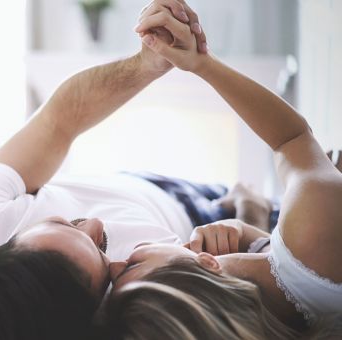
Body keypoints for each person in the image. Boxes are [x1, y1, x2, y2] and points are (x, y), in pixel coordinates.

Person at [0, 1, 228, 338]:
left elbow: (59, 122)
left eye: (62, 223)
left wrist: (148, 63)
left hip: (142, 183)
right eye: (102, 251)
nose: (97, 222)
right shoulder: (123, 312)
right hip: (199, 226)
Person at [106, 2, 342, 338]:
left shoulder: (290, 310)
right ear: (208, 264)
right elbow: (292, 138)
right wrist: (201, 64)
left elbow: (283, 265)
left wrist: (245, 230)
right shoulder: (311, 233)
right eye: (130, 267)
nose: (113, 263)